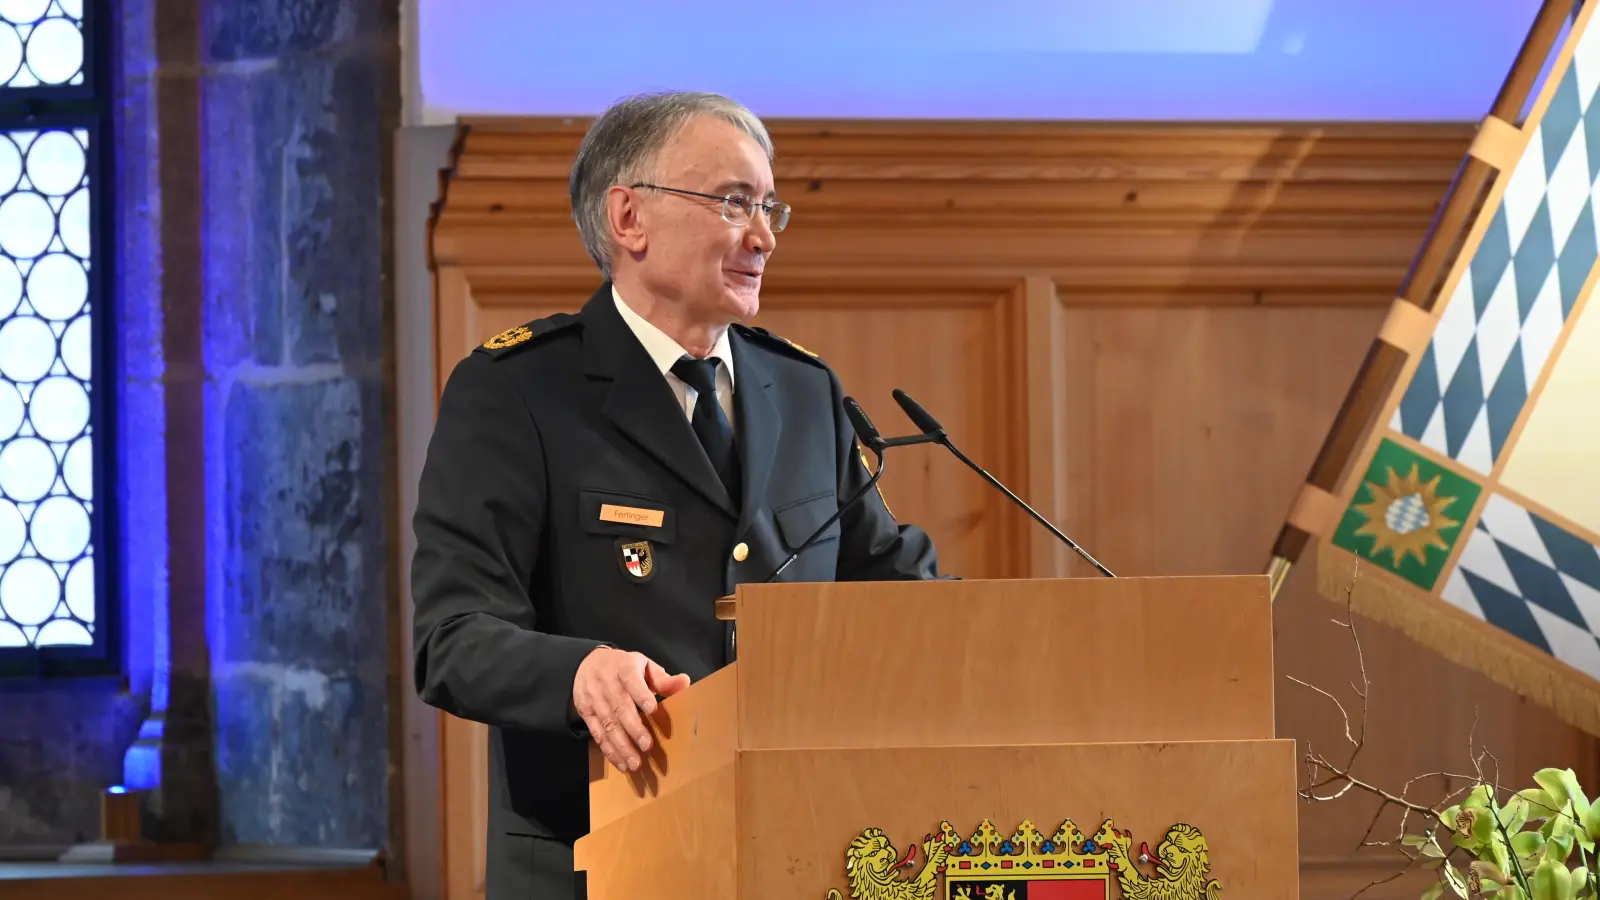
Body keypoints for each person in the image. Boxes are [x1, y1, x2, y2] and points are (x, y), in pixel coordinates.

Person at [410, 91, 946, 899]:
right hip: (596, 856)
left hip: (796, 853)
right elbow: (450, 635)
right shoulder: (518, 391)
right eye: (734, 203)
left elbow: (896, 590)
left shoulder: (803, 390)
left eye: (770, 207)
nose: (763, 236)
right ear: (630, 218)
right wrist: (579, 673)